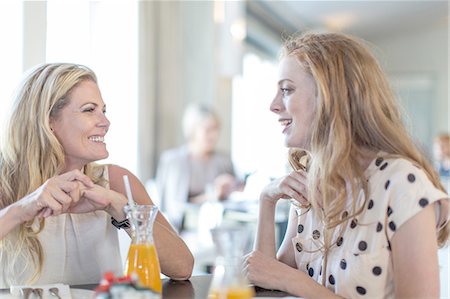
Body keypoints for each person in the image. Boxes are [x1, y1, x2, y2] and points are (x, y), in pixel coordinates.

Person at [244, 32, 449, 298]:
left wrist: (293, 281)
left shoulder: (403, 184)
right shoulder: (310, 183)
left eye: (286, 90)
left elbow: (283, 278)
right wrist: (267, 199)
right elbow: (268, 278)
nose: (273, 105)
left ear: (330, 96)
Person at [0, 63, 194, 287]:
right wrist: (21, 209)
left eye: (104, 110)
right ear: (48, 121)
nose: (105, 123)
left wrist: (120, 206)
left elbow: (182, 268)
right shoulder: (6, 180)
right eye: (89, 110)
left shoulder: (117, 181)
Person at [156, 103, 243, 232]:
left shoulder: (224, 160)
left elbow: (240, 196)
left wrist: (232, 188)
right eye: (208, 130)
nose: (214, 135)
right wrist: (212, 195)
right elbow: (172, 208)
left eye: (216, 129)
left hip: (220, 229)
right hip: (184, 232)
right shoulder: (173, 161)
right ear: (192, 130)